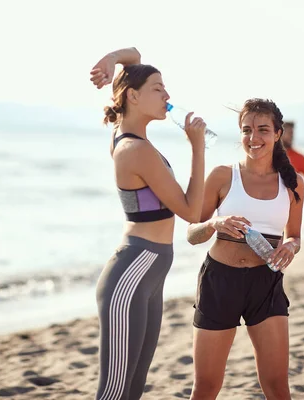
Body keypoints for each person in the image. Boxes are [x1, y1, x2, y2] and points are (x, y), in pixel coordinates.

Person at [89, 47, 207, 400]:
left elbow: (135, 54)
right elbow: (191, 211)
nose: (168, 96)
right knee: (114, 391)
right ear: (133, 96)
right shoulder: (133, 150)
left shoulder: (129, 137)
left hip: (149, 271)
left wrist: (111, 60)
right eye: (158, 88)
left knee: (133, 388)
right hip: (132, 272)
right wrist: (197, 148)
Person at [186, 98, 304, 400]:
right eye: (246, 130)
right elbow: (191, 233)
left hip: (266, 284)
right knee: (207, 386)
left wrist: (290, 248)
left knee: (278, 385)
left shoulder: (293, 183)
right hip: (220, 282)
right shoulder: (224, 175)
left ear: (278, 134)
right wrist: (215, 223)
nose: (254, 138)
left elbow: (294, 236)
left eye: (263, 130)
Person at [282, 121, 304, 192]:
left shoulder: (301, 158)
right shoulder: (269, 155)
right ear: (279, 134)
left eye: (292, 133)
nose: (291, 136)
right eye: (289, 133)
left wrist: (300, 197)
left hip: (291, 201)